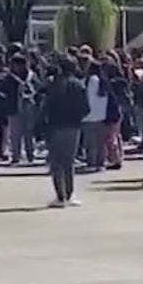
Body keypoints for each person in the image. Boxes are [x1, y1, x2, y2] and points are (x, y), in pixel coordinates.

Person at [40, 56, 88, 208]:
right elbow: (86, 108)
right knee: (69, 162)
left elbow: (45, 105)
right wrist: (77, 118)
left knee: (56, 162)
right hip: (73, 126)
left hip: (54, 126)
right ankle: (70, 193)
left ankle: (60, 196)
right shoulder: (78, 84)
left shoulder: (53, 84)